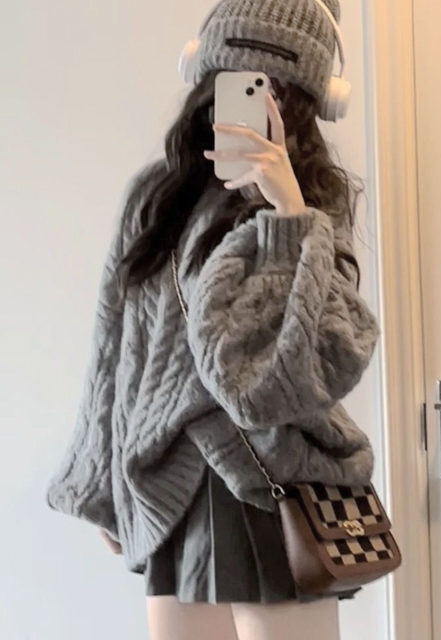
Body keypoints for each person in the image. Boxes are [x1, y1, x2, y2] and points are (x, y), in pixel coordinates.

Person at [45, 0, 381, 638]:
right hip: (170, 485)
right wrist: (98, 485)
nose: (259, 102)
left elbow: (312, 367)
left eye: (278, 88)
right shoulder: (156, 198)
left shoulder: (314, 202)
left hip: (274, 482)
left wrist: (288, 216)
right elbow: (115, 345)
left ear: (310, 101)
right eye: (241, 82)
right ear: (206, 77)